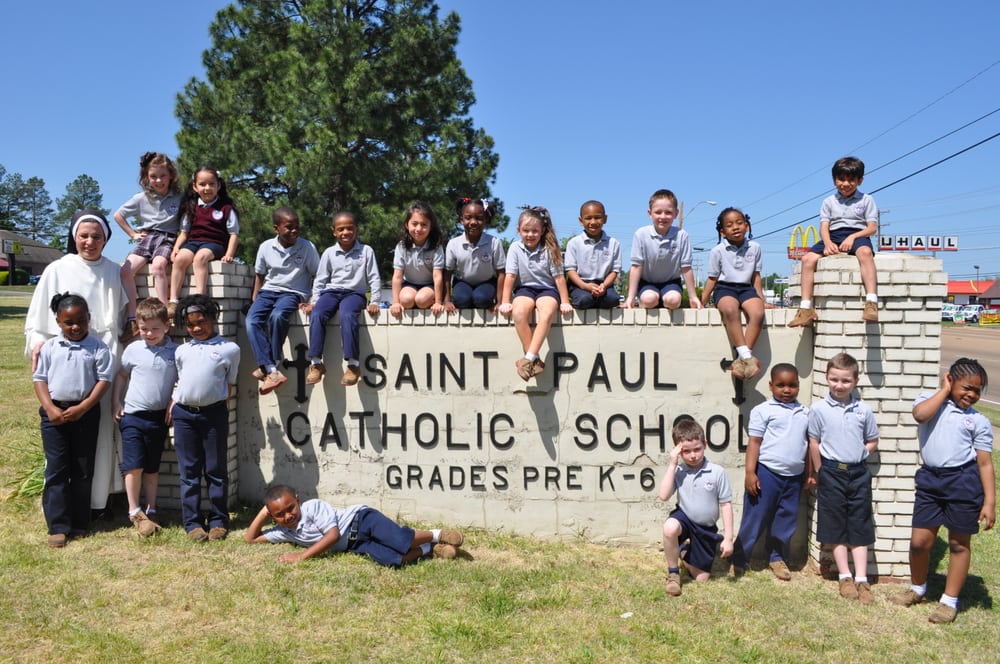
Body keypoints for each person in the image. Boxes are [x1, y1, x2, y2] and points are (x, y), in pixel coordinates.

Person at [25, 209, 128, 515]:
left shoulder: (114, 270)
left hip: (103, 354)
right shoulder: (57, 269)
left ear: (105, 239)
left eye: (96, 236)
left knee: (100, 430)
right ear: (74, 237)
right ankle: (61, 504)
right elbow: (38, 319)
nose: (89, 242)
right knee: (62, 435)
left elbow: (123, 316)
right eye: (84, 236)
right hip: (64, 358)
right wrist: (39, 344)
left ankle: (99, 500)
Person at [891, 358, 995, 623]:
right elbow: (920, 415)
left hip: (963, 483)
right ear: (950, 380)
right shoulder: (930, 402)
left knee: (959, 544)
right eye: (966, 387)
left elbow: (984, 464)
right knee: (919, 543)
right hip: (930, 481)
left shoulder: (979, 421)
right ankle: (917, 588)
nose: (971, 394)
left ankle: (949, 601)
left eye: (977, 390)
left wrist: (990, 502)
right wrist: (944, 390)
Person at [33, 293, 113, 547]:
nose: (76, 327)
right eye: (69, 322)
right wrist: (50, 408)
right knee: (57, 469)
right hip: (54, 415)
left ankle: (80, 522)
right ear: (58, 322)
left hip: (85, 414)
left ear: (89, 318)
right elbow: (40, 379)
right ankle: (58, 526)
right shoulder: (50, 347)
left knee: (82, 469)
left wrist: (83, 407)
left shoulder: (98, 348)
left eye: (81, 321)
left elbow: (104, 380)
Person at [807, 352, 879, 604]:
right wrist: (820, 470)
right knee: (835, 523)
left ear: (855, 381)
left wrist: (861, 453)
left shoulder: (863, 410)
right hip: (831, 472)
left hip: (858, 473)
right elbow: (813, 442)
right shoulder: (818, 410)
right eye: (834, 379)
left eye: (846, 380)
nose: (839, 385)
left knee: (859, 522)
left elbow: (872, 440)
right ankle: (845, 576)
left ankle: (862, 579)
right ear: (827, 378)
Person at [244, 484, 466, 567]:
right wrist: (264, 512)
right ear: (273, 517)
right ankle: (430, 550)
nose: (288, 516)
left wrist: (301, 557)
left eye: (291, 508)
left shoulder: (312, 508)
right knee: (393, 560)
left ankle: (437, 535)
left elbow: (332, 536)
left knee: (400, 541)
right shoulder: (285, 531)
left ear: (298, 500)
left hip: (361, 521)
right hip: (355, 545)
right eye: (279, 514)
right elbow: (251, 539)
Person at [171, 294, 240, 542]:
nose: (196, 328)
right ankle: (192, 523)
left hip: (213, 416)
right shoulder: (182, 350)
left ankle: (218, 520)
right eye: (190, 325)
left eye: (201, 322)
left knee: (215, 469)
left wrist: (211, 404)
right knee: (189, 472)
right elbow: (182, 379)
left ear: (213, 318)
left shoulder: (229, 349)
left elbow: (229, 385)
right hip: (184, 416)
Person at [731, 363, 809, 580]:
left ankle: (776, 557)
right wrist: (750, 472)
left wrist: (810, 474)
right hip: (766, 474)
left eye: (792, 385)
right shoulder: (763, 411)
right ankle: (739, 558)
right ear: (770, 385)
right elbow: (754, 442)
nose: (787, 390)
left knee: (786, 520)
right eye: (780, 385)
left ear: (798, 385)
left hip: (794, 478)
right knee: (754, 518)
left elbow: (809, 445)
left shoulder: (805, 413)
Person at [112, 297, 178, 537]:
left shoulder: (175, 352)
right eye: (144, 329)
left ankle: (152, 509)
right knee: (134, 466)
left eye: (155, 329)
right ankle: (134, 511)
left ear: (166, 326)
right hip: (133, 416)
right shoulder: (134, 349)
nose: (149, 334)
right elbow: (121, 375)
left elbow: (183, 379)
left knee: (151, 467)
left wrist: (174, 400)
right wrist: (116, 402)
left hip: (158, 418)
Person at [788, 156, 880, 327]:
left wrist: (853, 237)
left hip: (858, 234)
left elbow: (872, 228)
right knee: (807, 259)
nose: (845, 184)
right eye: (841, 179)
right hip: (833, 235)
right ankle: (806, 307)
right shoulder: (828, 202)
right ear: (834, 180)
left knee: (866, 253)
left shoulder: (867, 200)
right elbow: (824, 227)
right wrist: (828, 243)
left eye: (851, 180)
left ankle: (871, 302)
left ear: (860, 180)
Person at [246, 207, 319, 395]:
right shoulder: (265, 247)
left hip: (293, 293)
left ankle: (269, 365)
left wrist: (313, 299)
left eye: (297, 226)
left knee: (278, 316)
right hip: (267, 292)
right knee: (251, 321)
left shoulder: (307, 247)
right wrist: (254, 299)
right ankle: (272, 370)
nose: (295, 230)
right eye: (289, 227)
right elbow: (260, 275)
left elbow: (318, 275)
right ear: (276, 228)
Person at [305, 211, 381, 387]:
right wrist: (315, 301)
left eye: (349, 228)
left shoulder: (366, 251)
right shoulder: (329, 253)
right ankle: (316, 363)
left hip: (354, 293)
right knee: (317, 314)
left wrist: (375, 300)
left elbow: (374, 277)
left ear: (356, 229)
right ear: (334, 232)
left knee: (347, 315)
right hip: (332, 292)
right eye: (340, 229)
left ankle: (353, 365)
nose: (345, 232)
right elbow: (320, 279)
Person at [658, 419, 734, 596]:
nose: (693, 455)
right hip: (684, 518)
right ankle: (673, 574)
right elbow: (663, 496)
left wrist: (729, 538)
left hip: (704, 528)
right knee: (669, 528)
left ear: (705, 445)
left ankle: (683, 551)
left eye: (697, 449)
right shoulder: (678, 471)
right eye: (686, 451)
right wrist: (672, 464)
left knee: (702, 578)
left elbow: (726, 505)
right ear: (678, 451)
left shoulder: (717, 472)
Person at [498, 205, 573, 381]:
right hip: (525, 289)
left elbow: (559, 278)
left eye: (534, 231)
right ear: (518, 230)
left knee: (546, 313)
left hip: (547, 289)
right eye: (526, 231)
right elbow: (510, 276)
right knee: (518, 312)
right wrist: (505, 301)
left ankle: (528, 358)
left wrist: (565, 301)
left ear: (542, 230)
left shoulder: (550, 248)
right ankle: (535, 359)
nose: (530, 235)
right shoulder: (515, 248)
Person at [114, 151, 183, 336]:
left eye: (163, 176)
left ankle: (163, 314)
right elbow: (118, 215)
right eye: (153, 176)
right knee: (125, 271)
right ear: (146, 177)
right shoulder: (141, 198)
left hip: (167, 237)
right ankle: (132, 317)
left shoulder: (179, 197)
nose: (158, 181)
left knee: (159, 266)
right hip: (147, 237)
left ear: (171, 176)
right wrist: (133, 234)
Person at [700, 207, 766, 380]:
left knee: (758, 312)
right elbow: (712, 278)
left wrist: (762, 299)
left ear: (747, 226)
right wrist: (701, 302)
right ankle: (747, 358)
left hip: (746, 289)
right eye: (729, 225)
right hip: (724, 288)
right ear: (722, 232)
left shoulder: (755, 247)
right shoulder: (717, 251)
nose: (735, 227)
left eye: (739, 223)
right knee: (730, 310)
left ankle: (741, 360)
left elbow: (756, 276)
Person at [168, 167, 239, 313]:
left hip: (215, 244)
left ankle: (200, 298)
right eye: (202, 184)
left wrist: (229, 254)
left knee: (200, 258)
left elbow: (233, 234)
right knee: (180, 259)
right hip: (193, 242)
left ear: (218, 186)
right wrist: (176, 248)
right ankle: (173, 300)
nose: (207, 188)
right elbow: (184, 233)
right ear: (195, 187)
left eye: (212, 184)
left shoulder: (226, 208)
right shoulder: (191, 207)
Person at [625, 189, 701, 310]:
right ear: (650, 213)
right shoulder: (641, 234)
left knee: (673, 300)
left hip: (671, 283)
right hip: (647, 283)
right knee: (649, 299)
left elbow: (686, 267)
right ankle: (648, 303)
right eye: (658, 212)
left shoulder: (681, 235)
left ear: (676, 213)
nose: (663, 216)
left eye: (668, 212)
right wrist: (630, 297)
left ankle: (664, 303)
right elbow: (636, 267)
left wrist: (693, 297)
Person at [443, 197, 506, 311]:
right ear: (461, 220)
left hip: (487, 282)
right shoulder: (453, 243)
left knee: (481, 299)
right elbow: (447, 274)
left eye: (479, 218)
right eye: (468, 218)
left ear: (485, 220)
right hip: (462, 282)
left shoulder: (494, 242)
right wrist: (447, 300)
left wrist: (499, 302)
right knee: (462, 300)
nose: (473, 222)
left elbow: (501, 273)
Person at [389, 201, 445, 317]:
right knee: (406, 300)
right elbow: (397, 276)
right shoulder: (401, 246)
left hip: (429, 285)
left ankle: (426, 302)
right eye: (414, 224)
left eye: (424, 225)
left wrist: (438, 302)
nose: (418, 229)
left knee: (422, 300)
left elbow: (437, 276)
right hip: (409, 284)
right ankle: (413, 303)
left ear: (431, 226)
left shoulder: (436, 246)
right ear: (407, 224)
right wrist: (395, 302)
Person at [564, 200, 622, 309]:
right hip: (580, 284)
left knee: (613, 300)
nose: (593, 222)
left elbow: (614, 271)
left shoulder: (613, 243)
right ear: (581, 221)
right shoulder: (574, 243)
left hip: (604, 285)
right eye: (588, 218)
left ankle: (597, 301)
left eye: (598, 217)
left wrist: (604, 286)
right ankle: (590, 301)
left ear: (605, 219)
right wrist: (584, 286)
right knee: (584, 300)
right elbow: (570, 270)